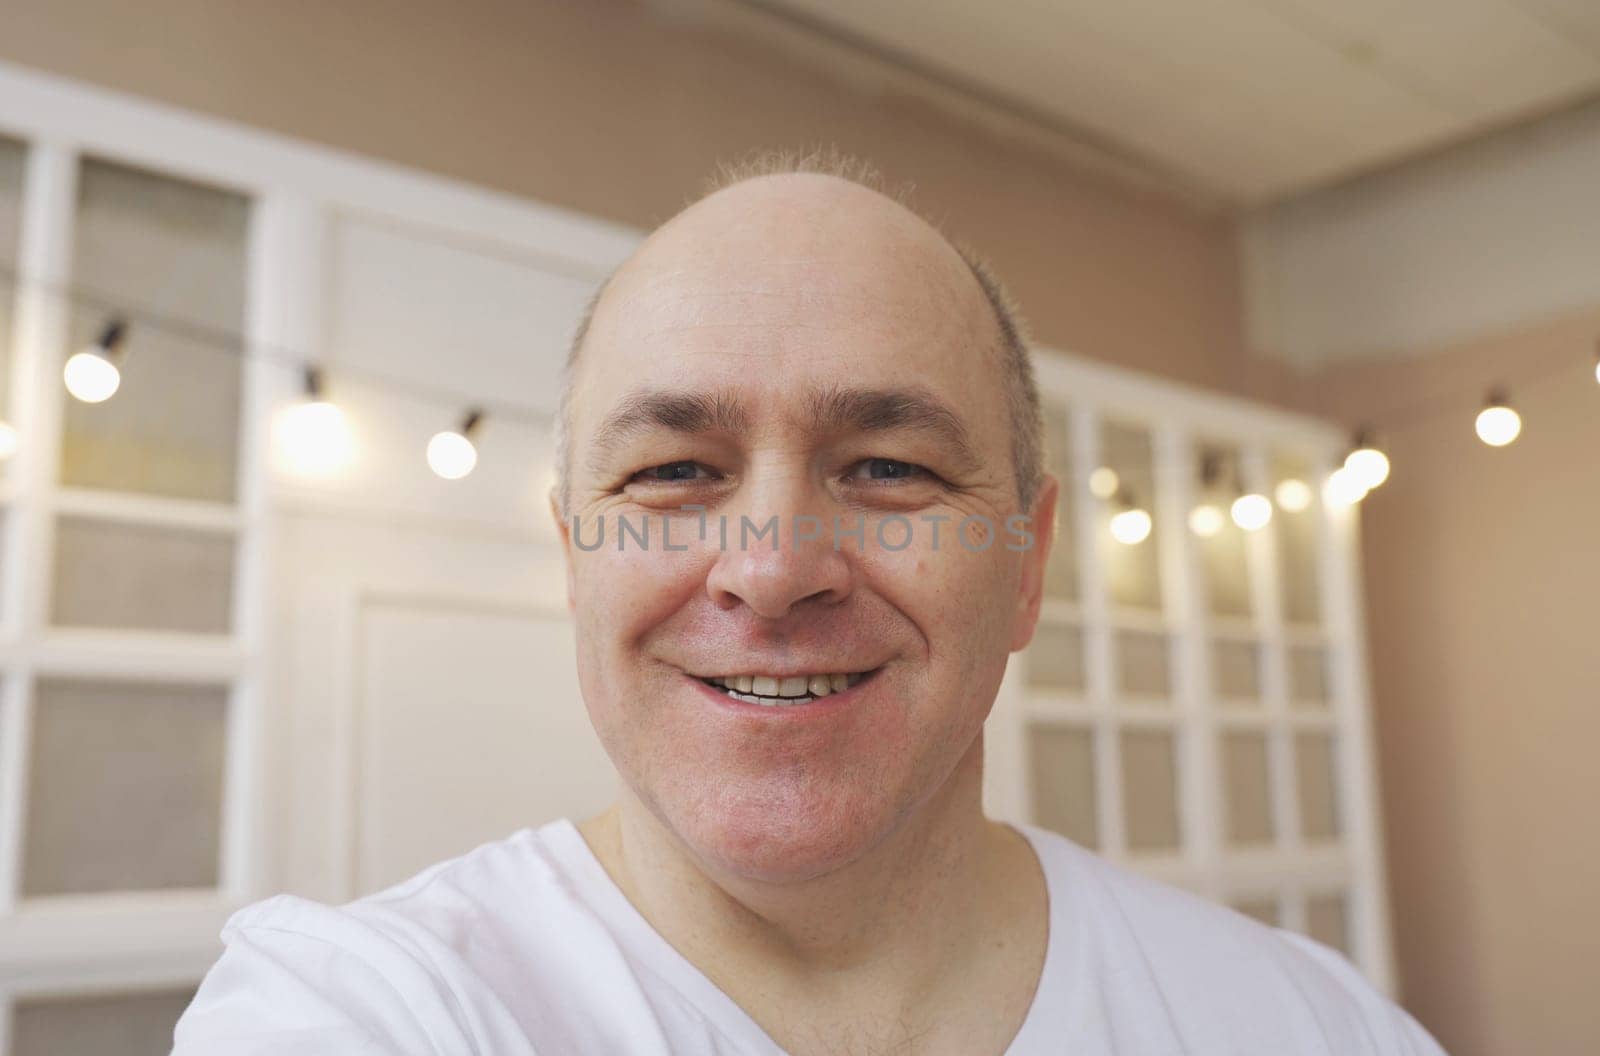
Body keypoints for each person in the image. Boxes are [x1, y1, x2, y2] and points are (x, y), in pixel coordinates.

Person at [172, 152, 1447, 1055]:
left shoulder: (1310, 1022)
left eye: (888, 467)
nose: (772, 570)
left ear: (1025, 562)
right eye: (674, 472)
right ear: (575, 560)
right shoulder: (372, 1013)